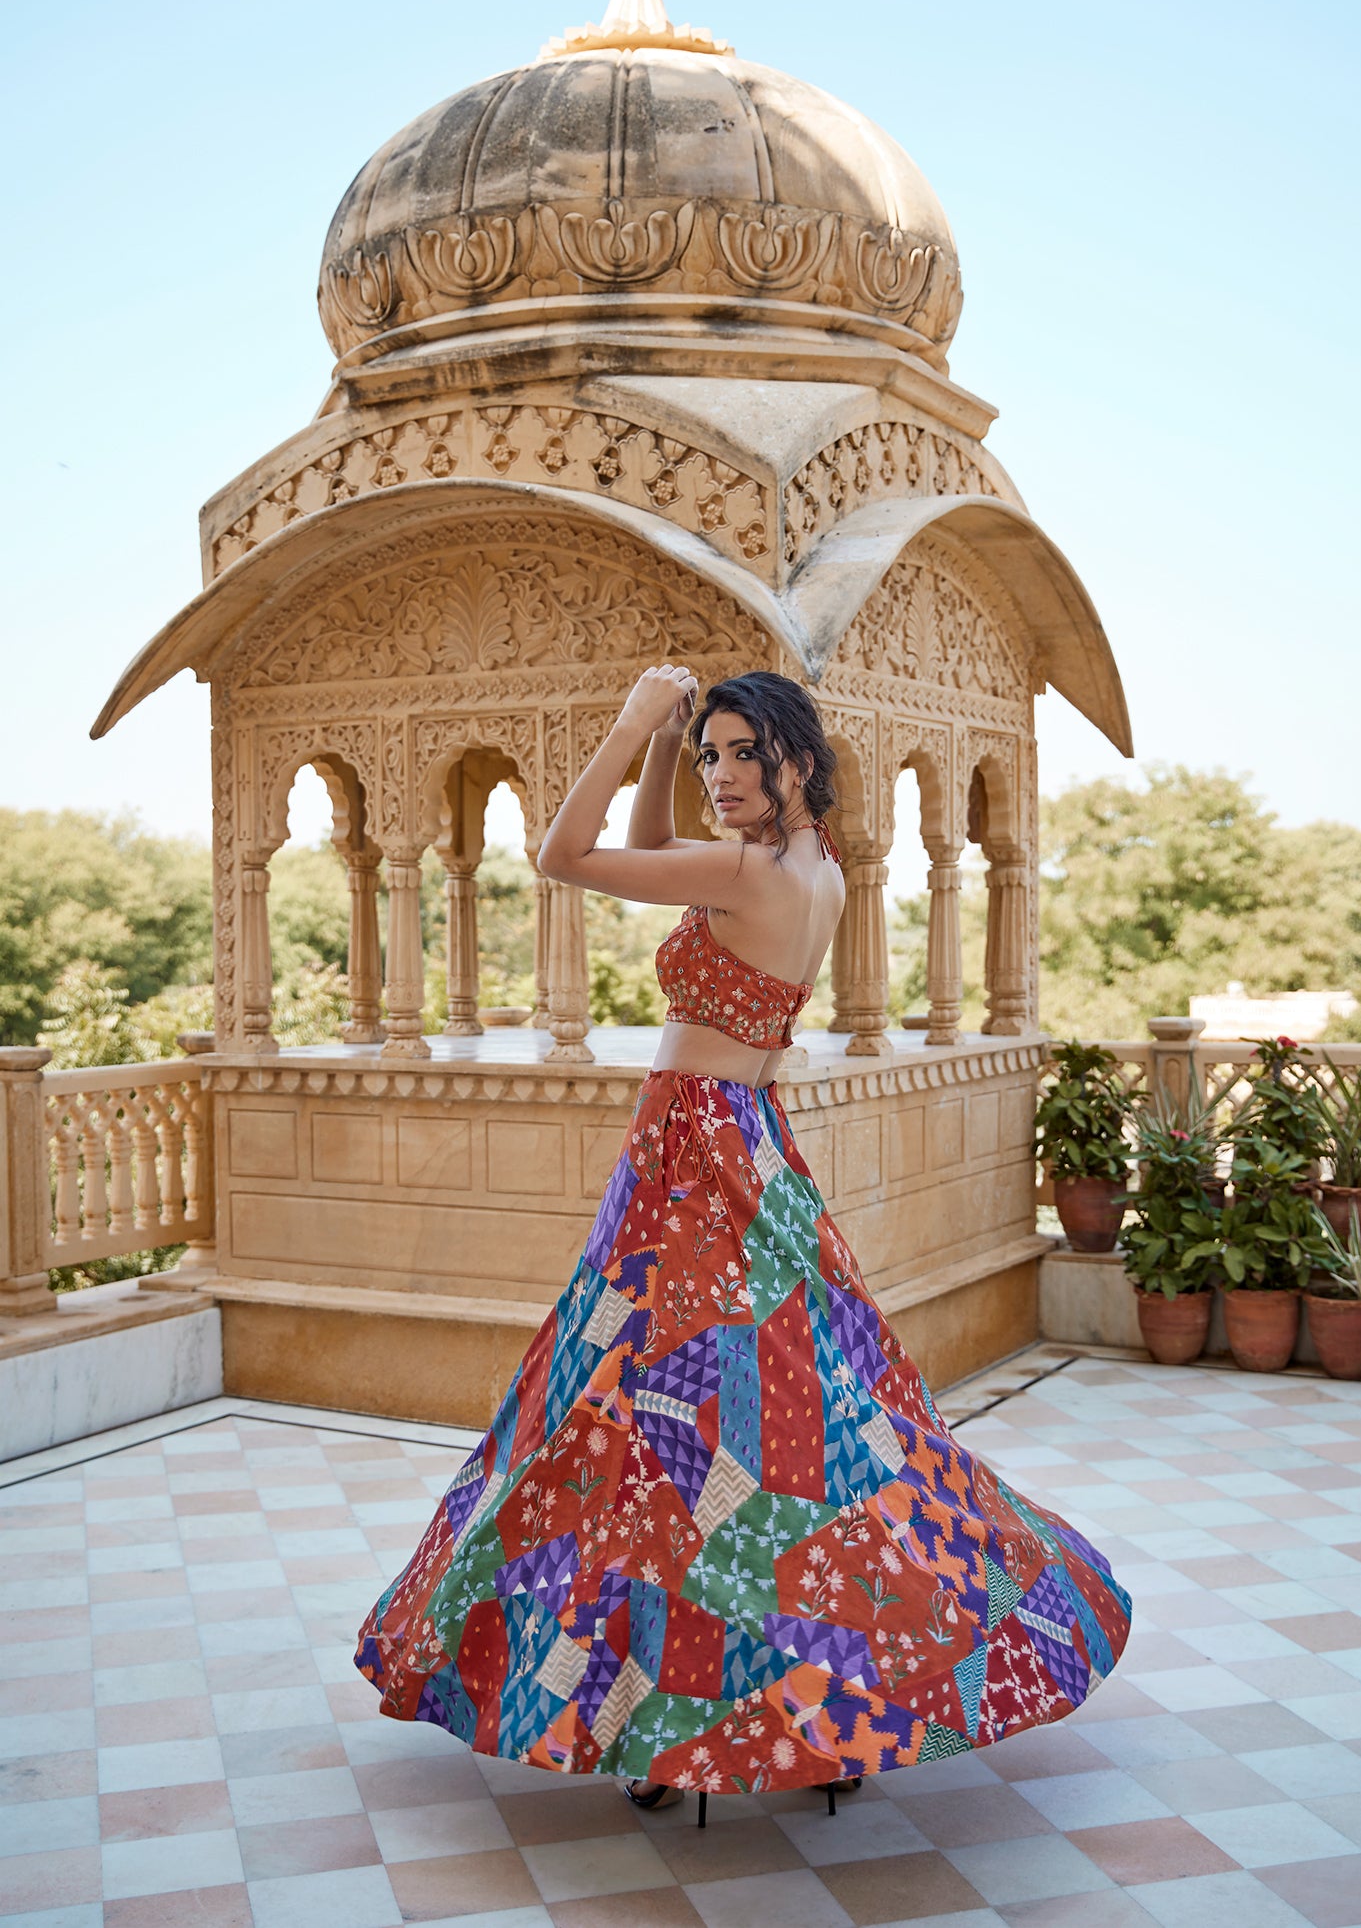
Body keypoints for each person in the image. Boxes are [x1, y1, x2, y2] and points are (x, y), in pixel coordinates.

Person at [354, 667, 1130, 1804]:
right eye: (708, 753)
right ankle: (759, 1723)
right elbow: (647, 838)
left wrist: (628, 723)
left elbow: (564, 858)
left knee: (655, 1432)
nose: (718, 777)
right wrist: (666, 752)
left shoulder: (742, 870)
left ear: (798, 765)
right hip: (744, 1147)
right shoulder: (809, 874)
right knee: (779, 1431)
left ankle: (694, 1730)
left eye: (737, 755)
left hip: (693, 1164)